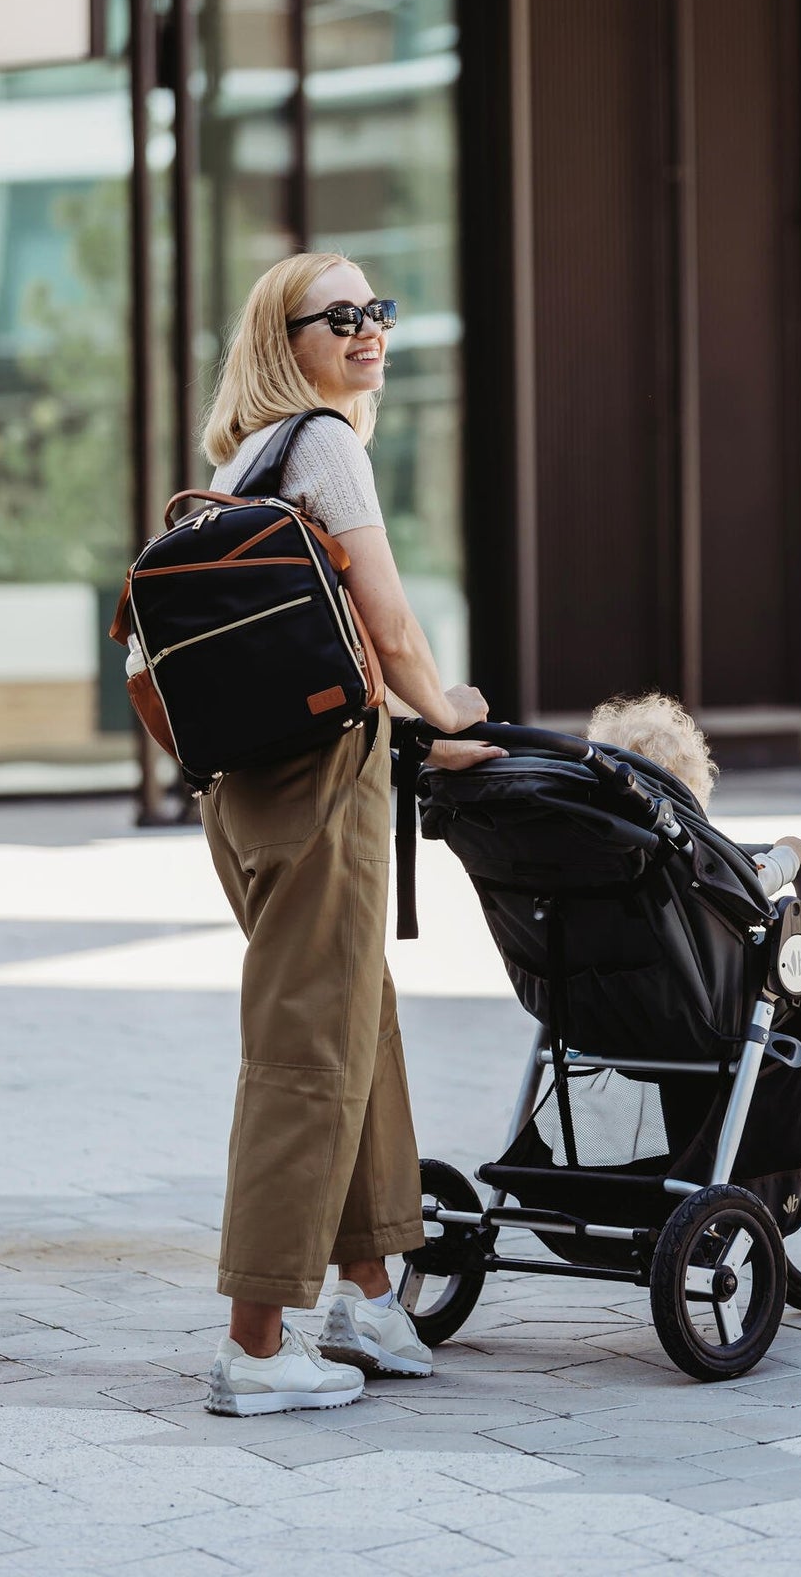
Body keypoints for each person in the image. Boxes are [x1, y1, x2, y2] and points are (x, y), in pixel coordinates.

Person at [198, 250, 500, 1417]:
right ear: (290, 342)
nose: (367, 330)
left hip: (254, 790)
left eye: (377, 310)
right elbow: (389, 620)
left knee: (354, 1020)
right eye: (340, 317)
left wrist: (414, 735)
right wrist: (445, 706)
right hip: (319, 792)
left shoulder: (241, 460)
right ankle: (255, 1344)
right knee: (306, 1056)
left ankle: (368, 1290)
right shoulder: (321, 440)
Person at [587, 691, 801, 898]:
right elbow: (748, 884)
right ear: (691, 788)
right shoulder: (682, 847)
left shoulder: (584, 834)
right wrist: (788, 854)